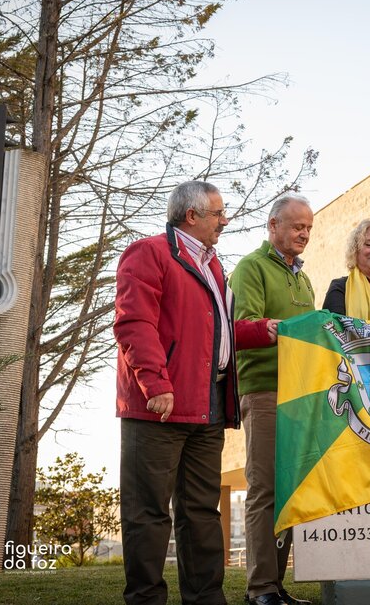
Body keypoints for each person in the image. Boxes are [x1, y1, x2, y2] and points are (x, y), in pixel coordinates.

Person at [114, 181, 277, 605]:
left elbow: (212, 332)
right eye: (219, 213)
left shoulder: (214, 265)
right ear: (192, 216)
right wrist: (156, 383)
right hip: (159, 407)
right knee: (148, 514)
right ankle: (147, 599)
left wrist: (261, 331)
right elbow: (135, 324)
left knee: (202, 514)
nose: (225, 220)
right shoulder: (149, 253)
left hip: (207, 406)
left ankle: (206, 599)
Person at [230, 193, 316, 605]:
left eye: (308, 228)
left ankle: (276, 586)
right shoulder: (251, 266)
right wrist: (284, 330)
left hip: (301, 392)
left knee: (290, 492)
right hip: (264, 389)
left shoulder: (303, 278)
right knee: (265, 489)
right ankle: (260, 588)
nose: (303, 233)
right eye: (297, 226)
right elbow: (242, 326)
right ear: (273, 225)